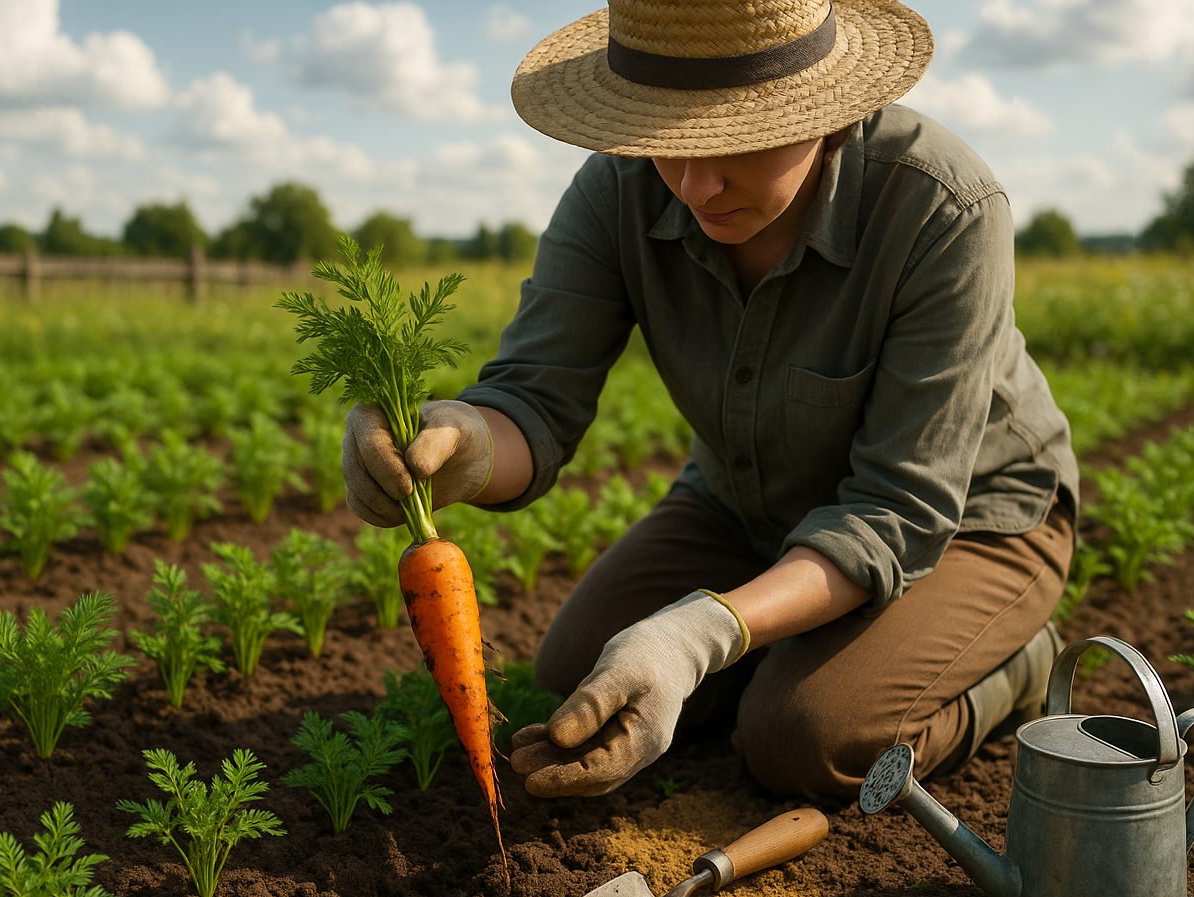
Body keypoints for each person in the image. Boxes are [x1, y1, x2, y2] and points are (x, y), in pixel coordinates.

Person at [341, 0, 1078, 801]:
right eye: (667, 141)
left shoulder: (940, 207)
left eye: (734, 140)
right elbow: (534, 403)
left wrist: (701, 633)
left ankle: (1019, 660)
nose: (694, 183)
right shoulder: (617, 191)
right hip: (746, 505)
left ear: (825, 110)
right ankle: (776, 639)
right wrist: (461, 443)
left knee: (803, 737)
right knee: (575, 678)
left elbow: (898, 508)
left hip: (967, 520)